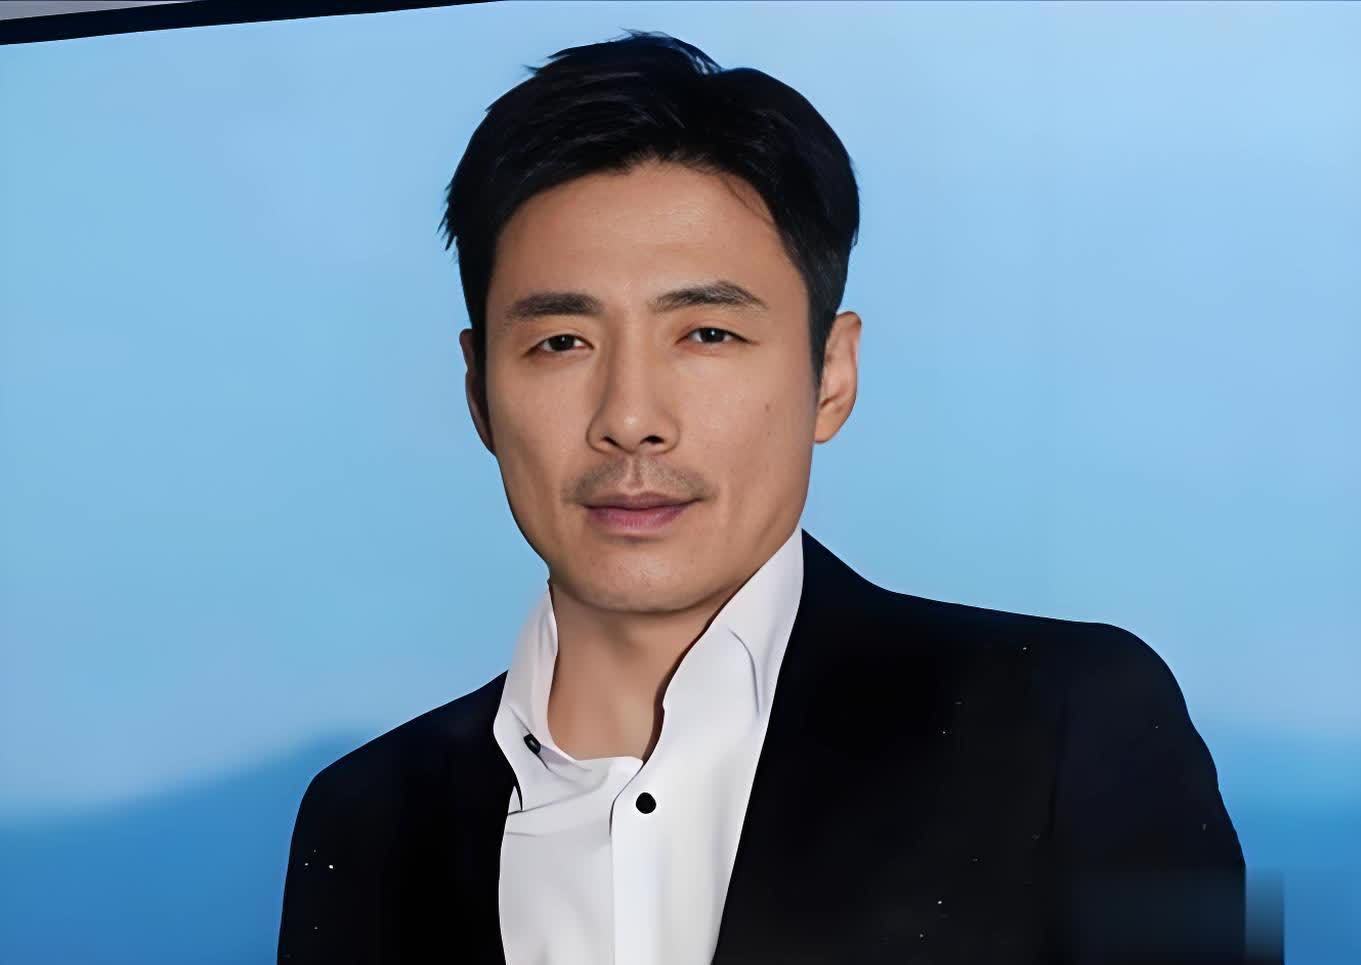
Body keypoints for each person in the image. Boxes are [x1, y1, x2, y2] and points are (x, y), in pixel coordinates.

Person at [277, 29, 1246, 964]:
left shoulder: (1069, 721)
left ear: (832, 374)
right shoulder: (364, 819)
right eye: (561, 342)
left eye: (706, 334)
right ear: (479, 388)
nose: (630, 418)